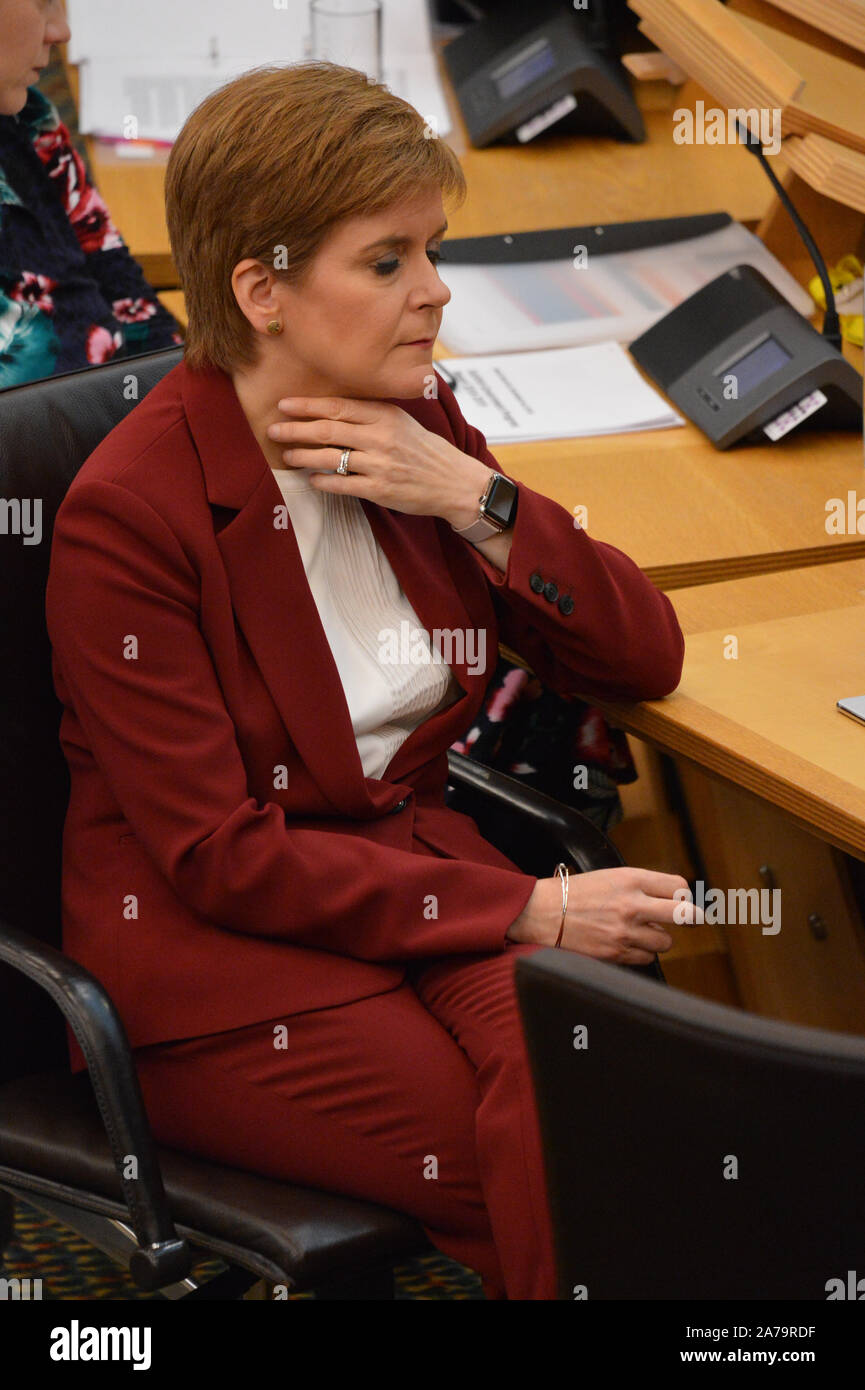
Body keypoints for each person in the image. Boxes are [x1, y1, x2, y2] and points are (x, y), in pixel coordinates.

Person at [45, 62, 696, 1300]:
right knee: (559, 1161)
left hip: (417, 880)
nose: (435, 290)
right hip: (225, 961)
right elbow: (220, 856)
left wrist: (474, 498)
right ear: (263, 291)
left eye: (431, 250)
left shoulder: (415, 423)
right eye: (388, 260)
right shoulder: (129, 517)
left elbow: (639, 655)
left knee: (595, 1093)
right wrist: (531, 909)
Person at [0, 0, 182, 387]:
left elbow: (123, 288)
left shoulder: (28, 117)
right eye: (43, 2)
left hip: (114, 403)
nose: (62, 31)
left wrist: (183, 393)